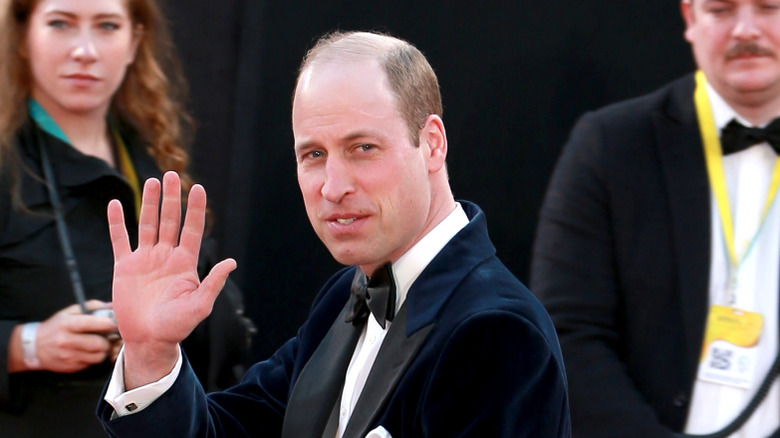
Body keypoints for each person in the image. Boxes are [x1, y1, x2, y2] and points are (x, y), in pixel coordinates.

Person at [96, 30, 571, 437]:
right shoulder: (342, 300)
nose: (334, 187)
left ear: (431, 143)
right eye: (314, 155)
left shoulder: (497, 335)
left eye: (362, 147)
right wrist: (151, 353)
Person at [0, 0, 253, 436]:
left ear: (135, 41)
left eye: (107, 26)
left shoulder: (153, 159)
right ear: (23, 36)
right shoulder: (7, 162)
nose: (85, 50)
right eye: (60, 23)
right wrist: (24, 345)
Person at [531, 0, 780, 437]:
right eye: (721, 10)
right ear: (689, 18)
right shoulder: (611, 146)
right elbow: (566, 332)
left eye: (769, 8)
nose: (746, 30)